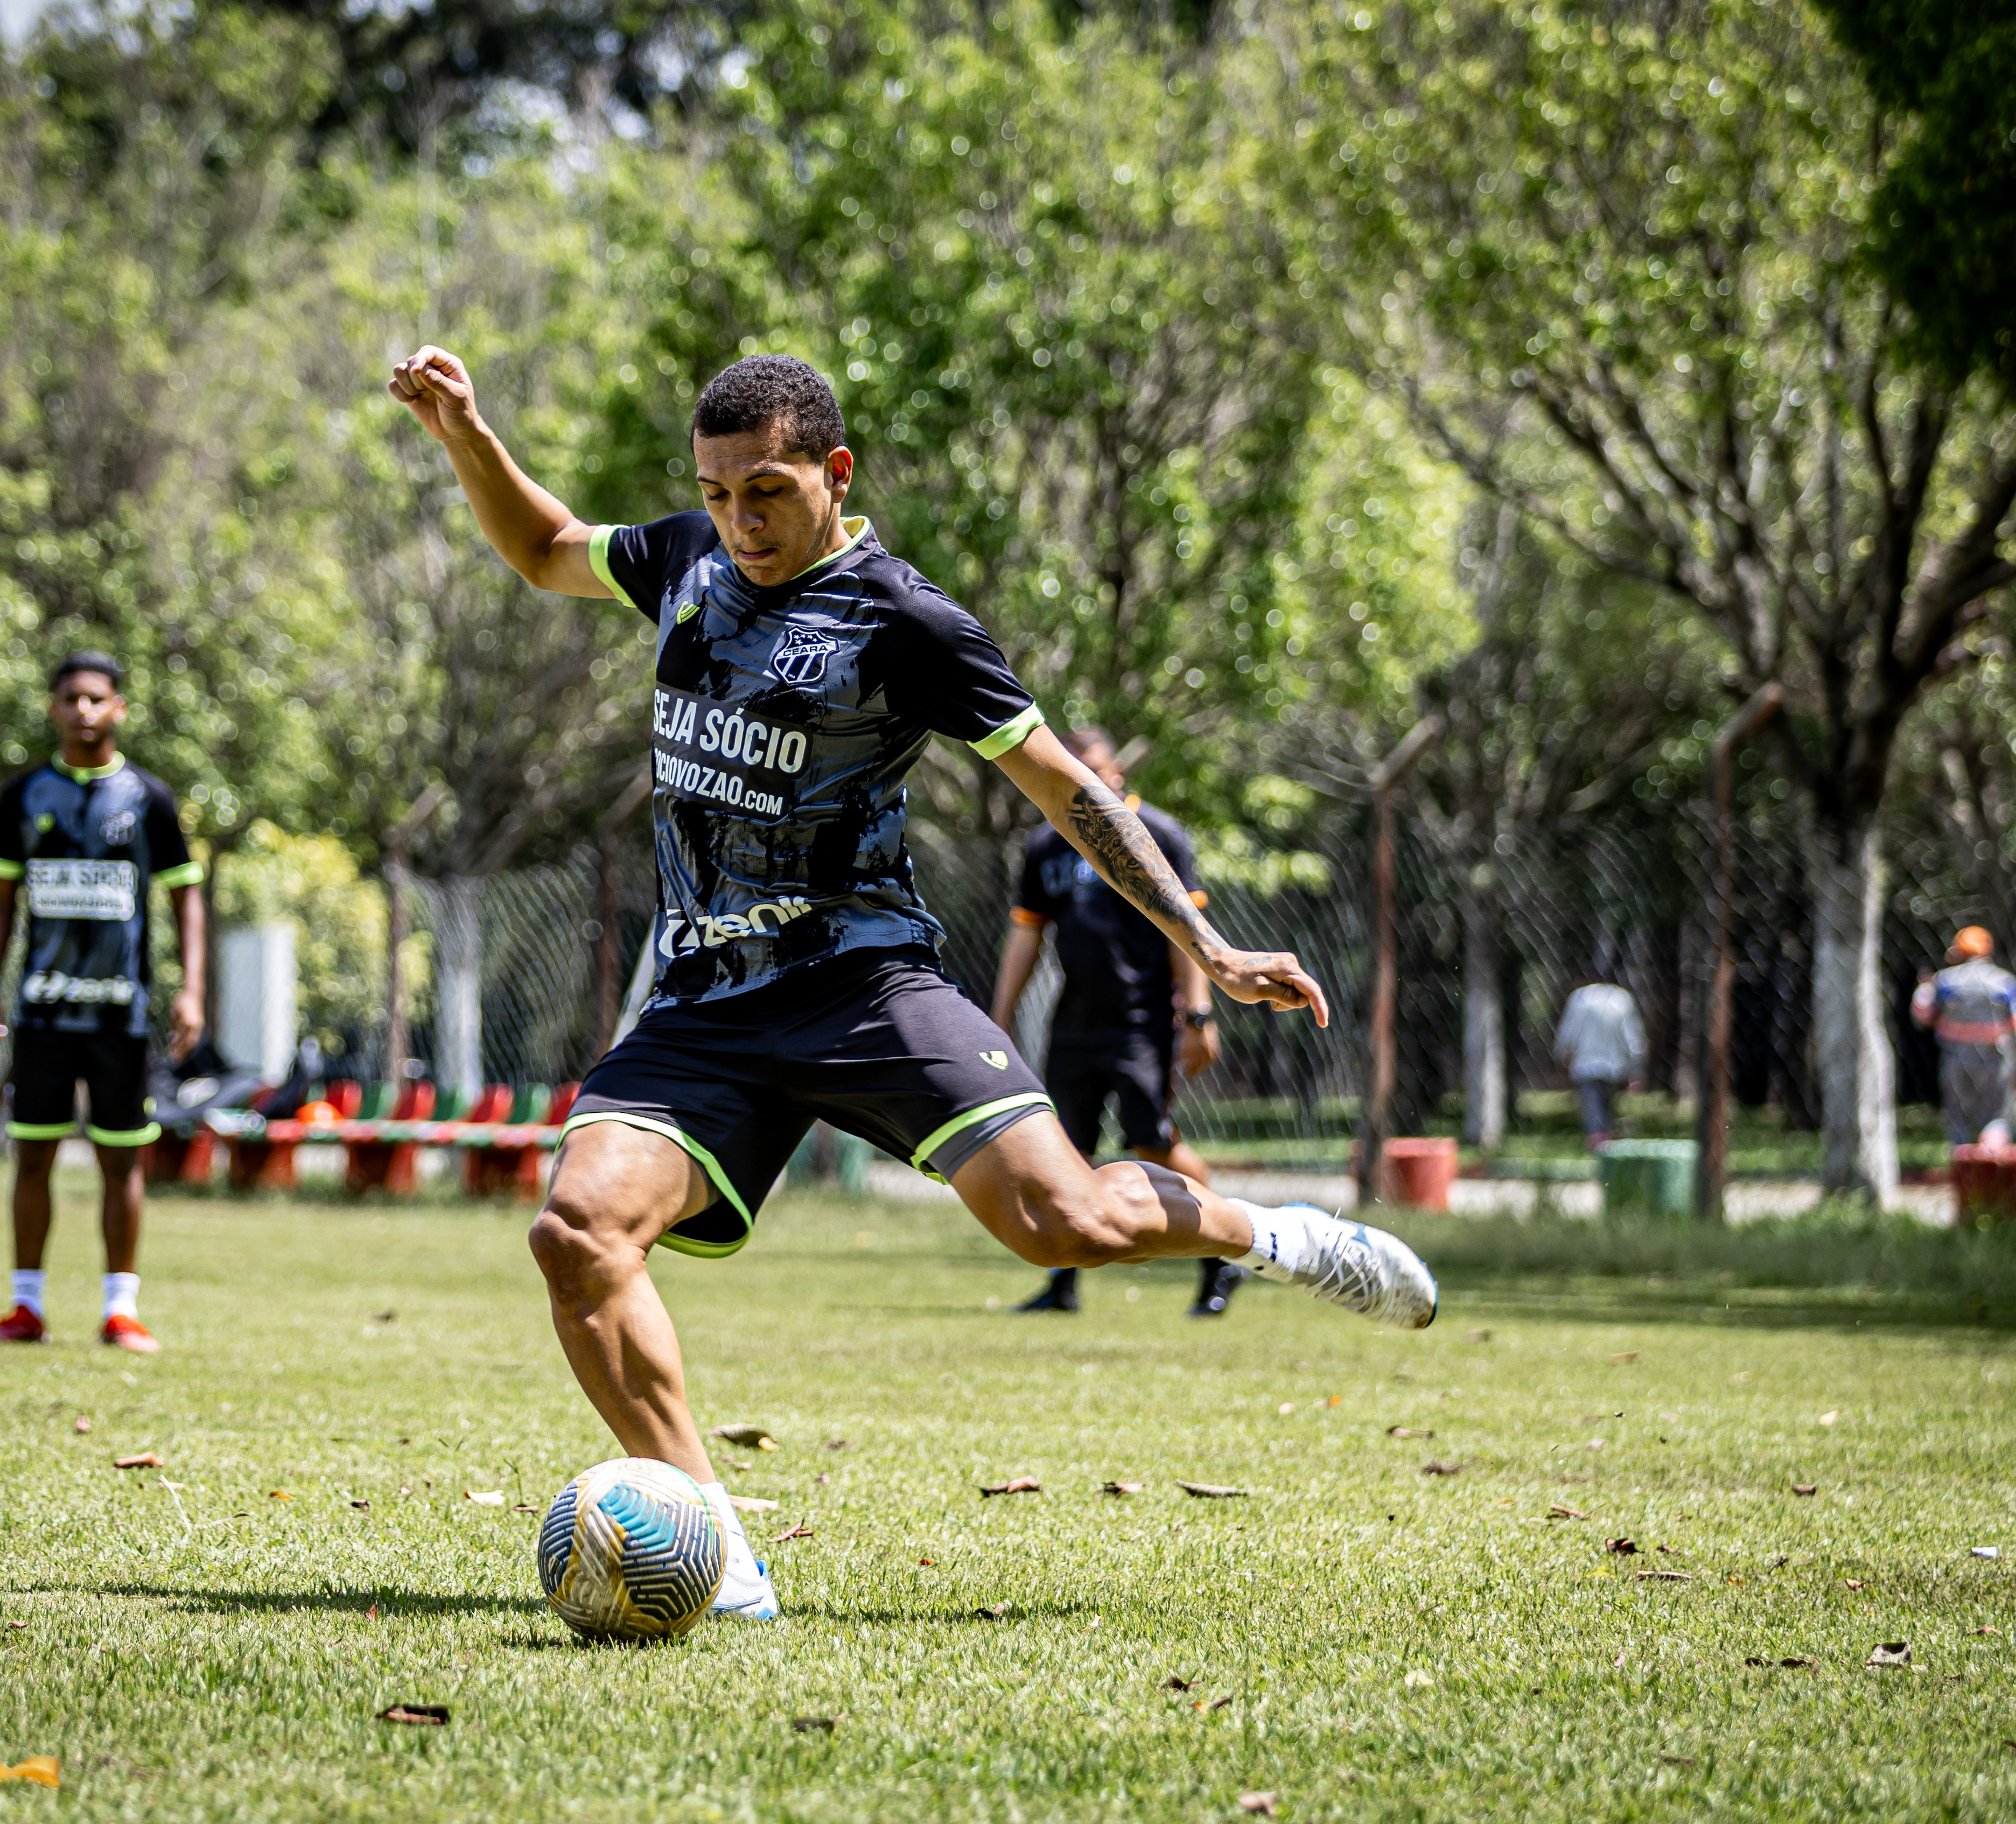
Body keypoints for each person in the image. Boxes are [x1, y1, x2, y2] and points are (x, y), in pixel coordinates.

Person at [388, 345, 1438, 1626]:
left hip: (867, 986)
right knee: (577, 1234)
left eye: (766, 491)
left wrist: (1203, 945)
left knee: (1067, 1227)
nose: (740, 522)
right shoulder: (685, 565)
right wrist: (465, 437)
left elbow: (1067, 788)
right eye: (717, 494)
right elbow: (547, 547)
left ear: (835, 474)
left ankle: (1276, 1237)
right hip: (706, 1003)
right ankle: (716, 1549)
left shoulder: (906, 621)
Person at [0, 653, 206, 1352]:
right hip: (42, 1013)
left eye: (96, 699)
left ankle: (120, 1310)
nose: (83, 710)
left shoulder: (147, 797)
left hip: (121, 1017)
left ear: (118, 709)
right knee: (33, 1159)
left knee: (120, 1163)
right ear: (53, 709)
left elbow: (184, 895)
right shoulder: (23, 797)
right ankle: (25, 1308)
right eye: (70, 698)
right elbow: (1, 899)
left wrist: (191, 989)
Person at [991, 730, 1237, 1317]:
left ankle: (1223, 1252)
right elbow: (1027, 936)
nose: (1087, 780)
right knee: (1063, 1155)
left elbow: (1188, 936)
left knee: (1152, 1145)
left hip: (1142, 1024)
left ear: (1118, 773)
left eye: (1096, 769)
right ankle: (1062, 1285)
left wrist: (1199, 1015)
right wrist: (998, 1019)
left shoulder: (1159, 836)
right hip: (1074, 1025)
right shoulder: (1046, 848)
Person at [1912, 925, 2016, 1148]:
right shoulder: (2004, 982)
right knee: (1997, 1116)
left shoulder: (1945, 981)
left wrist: (1923, 989)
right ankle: (1992, 1163)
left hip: (1955, 1057)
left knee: (1957, 1118)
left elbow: (1922, 1016)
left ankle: (1961, 1170)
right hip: (1995, 1057)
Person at [1553, 974, 1645, 1151]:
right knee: (1607, 1111)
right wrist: (1636, 1067)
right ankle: (1606, 1150)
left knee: (1593, 1113)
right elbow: (1633, 1037)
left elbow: (1567, 1035)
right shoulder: (1622, 998)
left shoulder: (1579, 998)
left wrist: (1563, 1055)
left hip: (1585, 1066)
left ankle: (1598, 1149)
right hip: (1615, 1067)